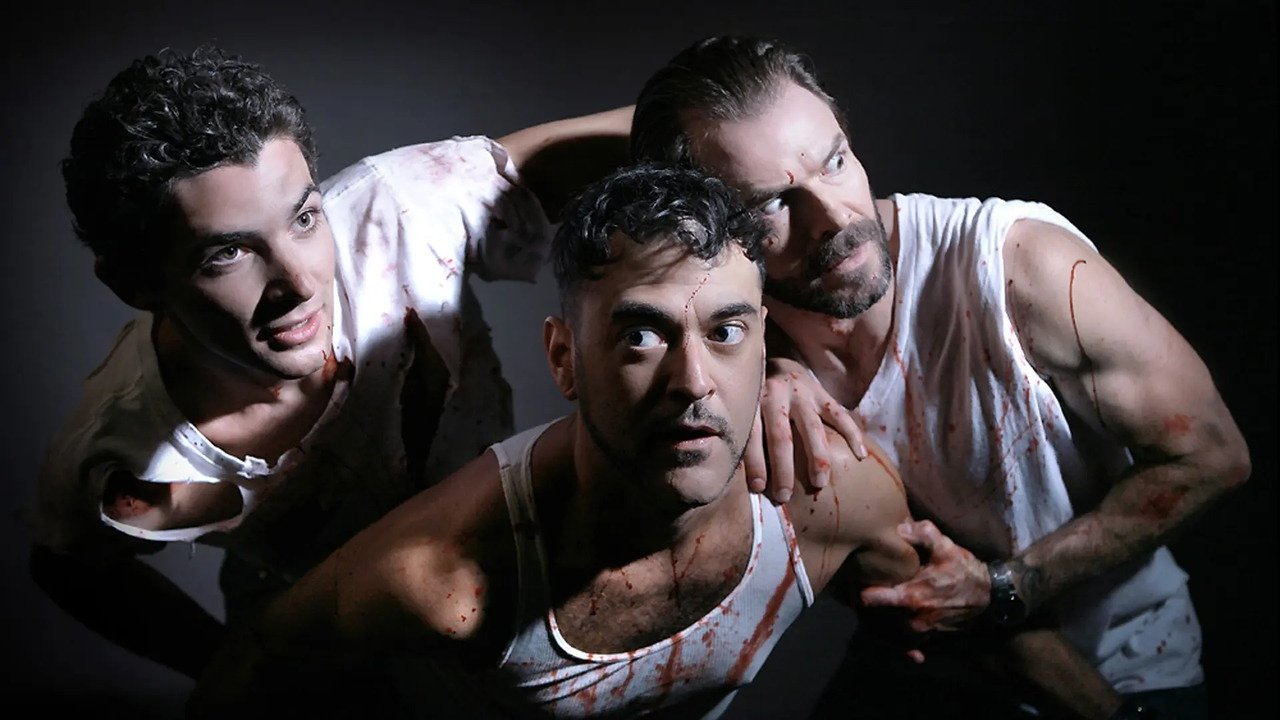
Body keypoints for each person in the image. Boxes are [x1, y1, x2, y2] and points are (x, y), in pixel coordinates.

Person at [190, 163, 1126, 720]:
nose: (692, 383)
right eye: (640, 335)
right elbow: (249, 677)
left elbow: (960, 619)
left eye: (726, 331)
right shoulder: (443, 578)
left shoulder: (824, 495)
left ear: (768, 342)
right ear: (564, 358)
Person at [628, 35, 1251, 719]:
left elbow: (1213, 454)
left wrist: (1010, 585)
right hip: (928, 670)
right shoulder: (731, 347)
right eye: (771, 204)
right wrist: (769, 365)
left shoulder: (1019, 269)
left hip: (1127, 676)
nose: (835, 218)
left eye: (835, 161)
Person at [28, 45, 629, 682]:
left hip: (517, 555)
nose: (300, 281)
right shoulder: (122, 454)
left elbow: (679, 124)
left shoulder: (398, 211)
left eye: (305, 218)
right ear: (135, 283)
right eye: (227, 254)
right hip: (336, 643)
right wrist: (233, 672)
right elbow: (68, 566)